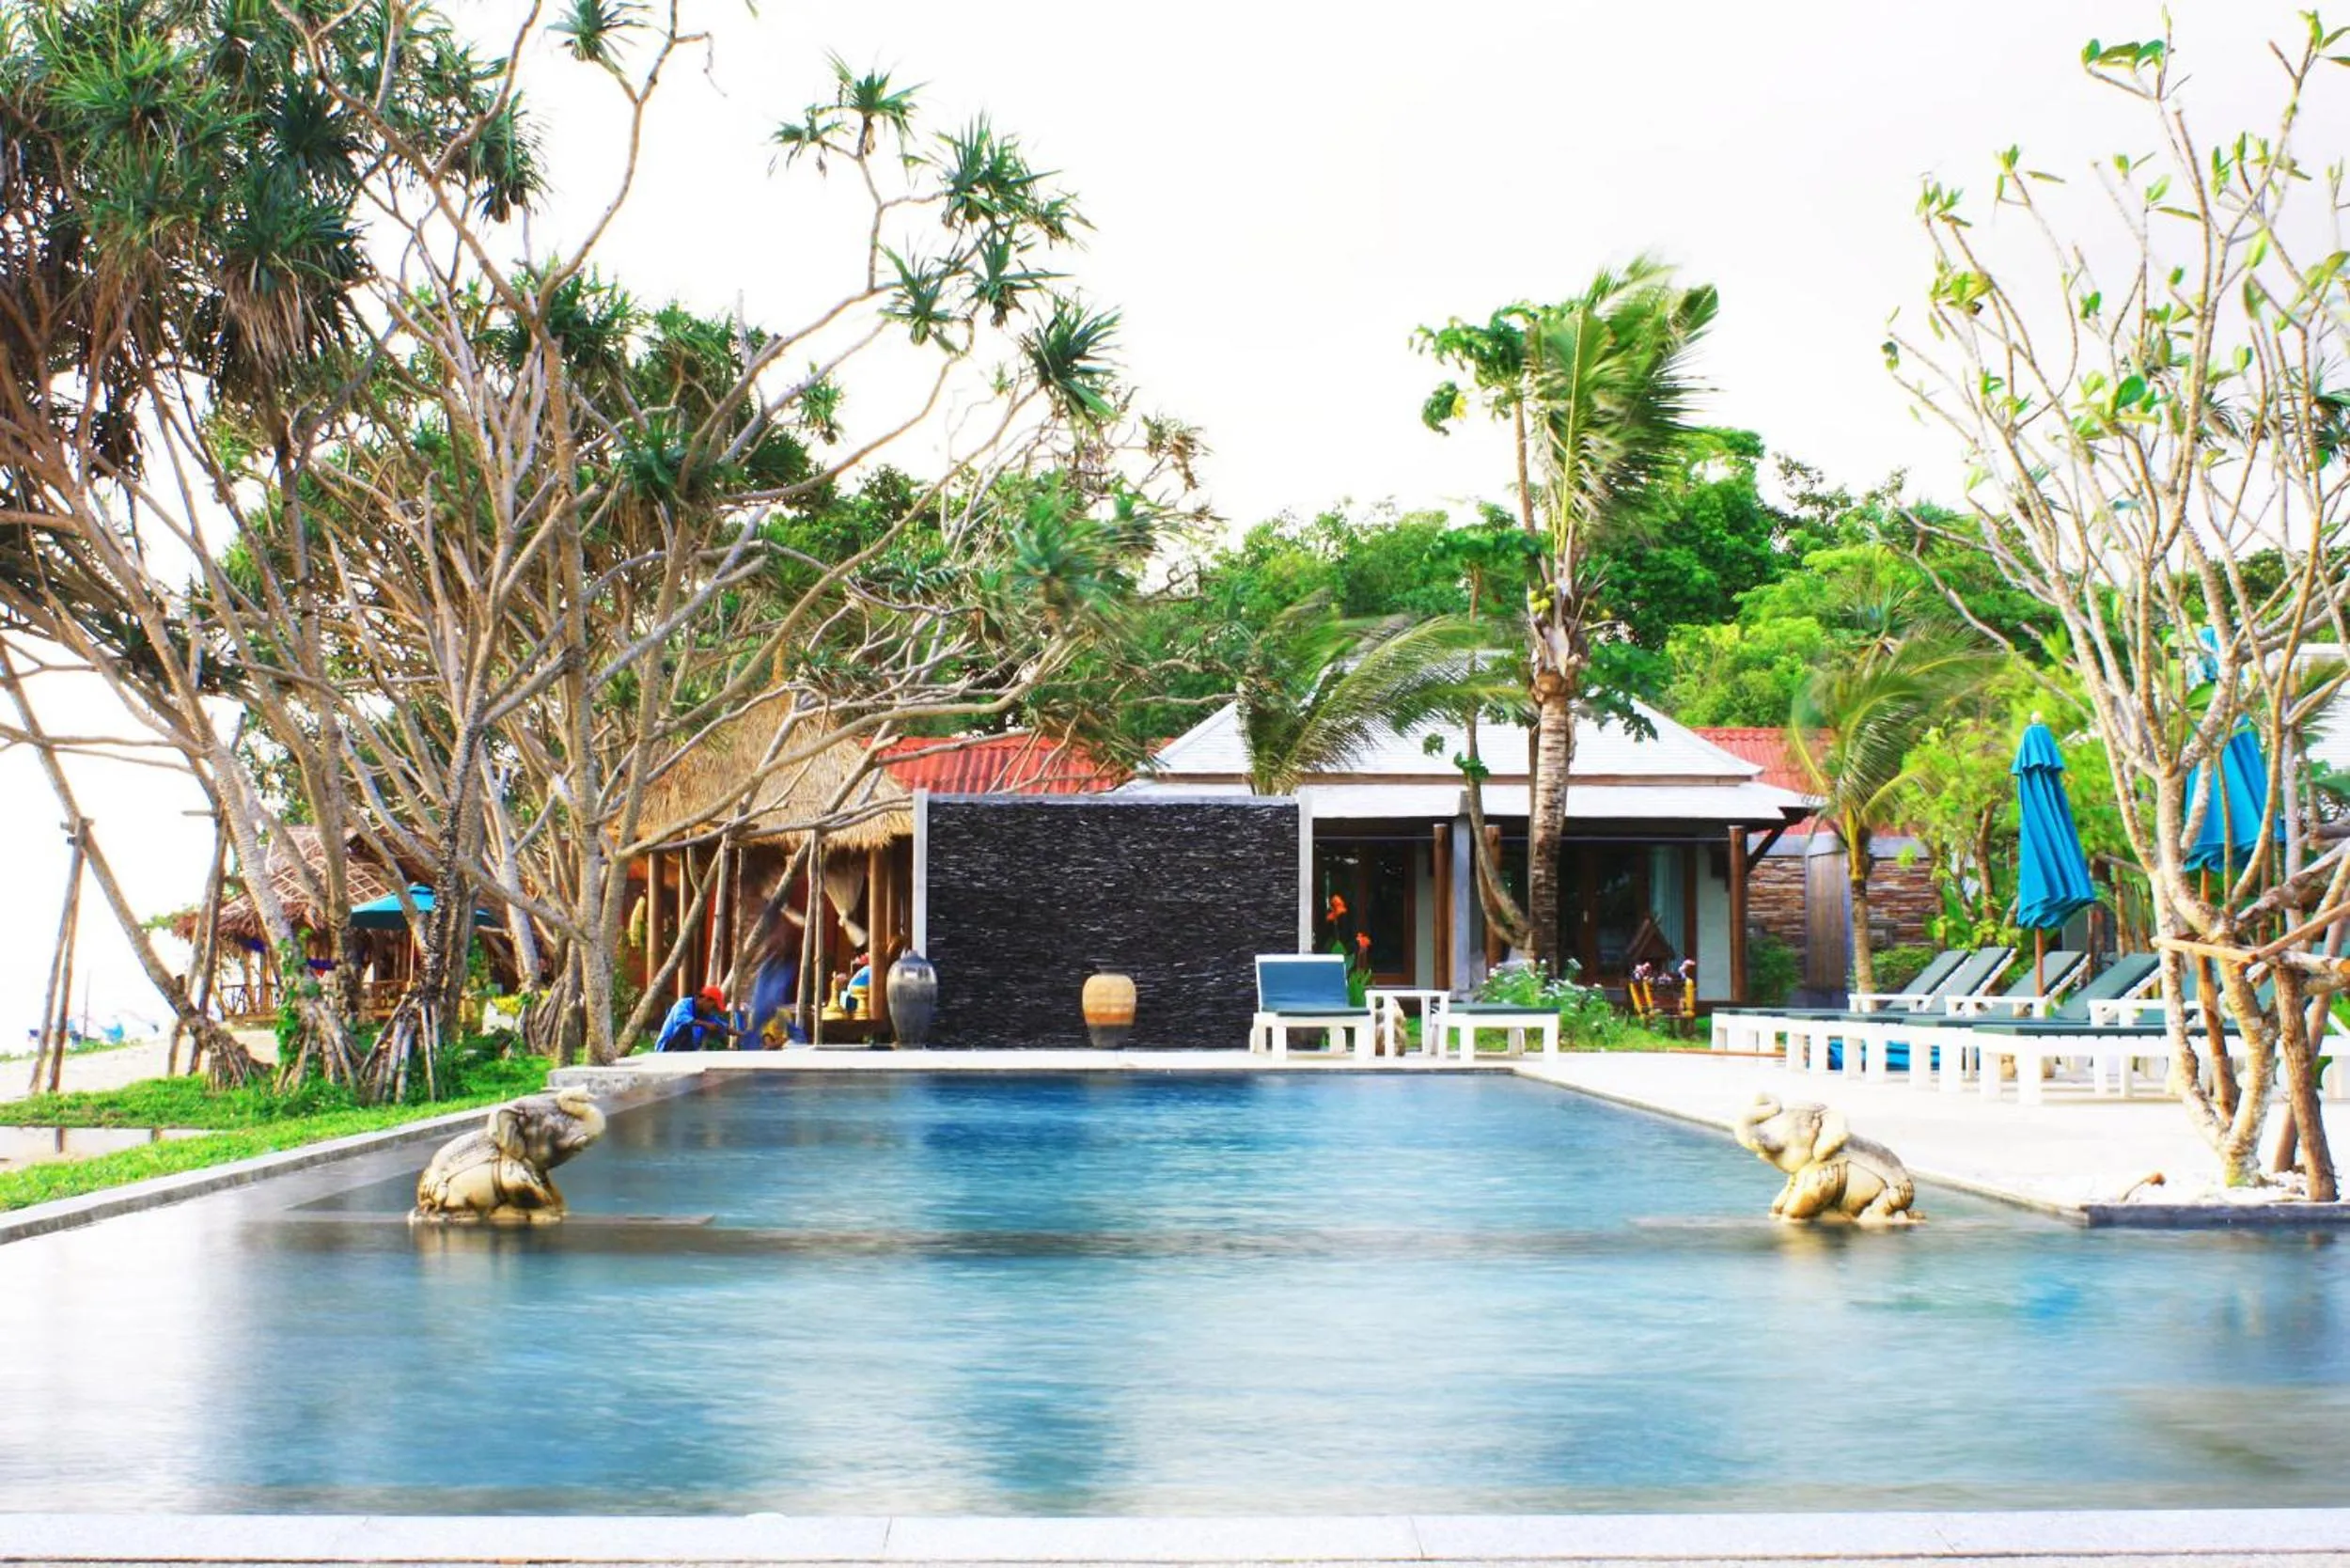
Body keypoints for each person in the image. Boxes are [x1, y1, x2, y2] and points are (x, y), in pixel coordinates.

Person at [654, 986, 741, 1053]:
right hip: (666, 1049)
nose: (713, 1010)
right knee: (686, 1027)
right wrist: (706, 1024)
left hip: (687, 1051)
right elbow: (681, 1020)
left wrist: (742, 1034)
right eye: (713, 1006)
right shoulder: (683, 1004)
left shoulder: (705, 1015)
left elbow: (721, 1026)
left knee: (718, 1030)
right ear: (705, 999)